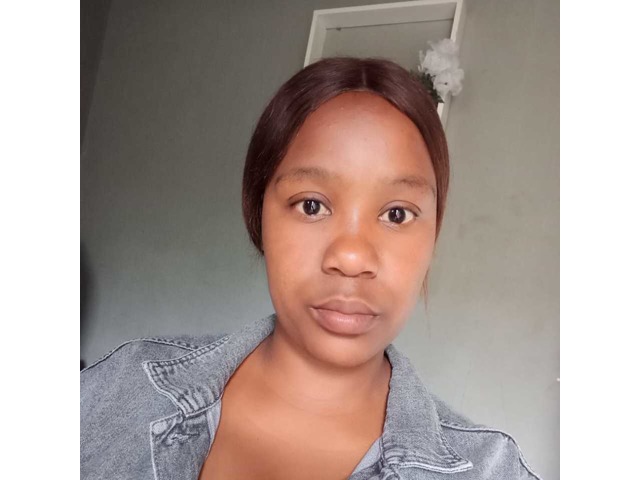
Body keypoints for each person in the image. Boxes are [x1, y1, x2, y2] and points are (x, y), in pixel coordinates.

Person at [81, 57, 542, 479]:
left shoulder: (492, 470)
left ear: (432, 237)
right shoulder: (121, 386)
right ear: (258, 215)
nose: (352, 257)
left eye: (397, 214)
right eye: (312, 205)